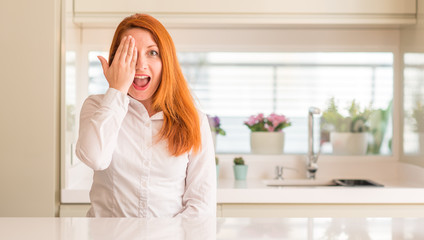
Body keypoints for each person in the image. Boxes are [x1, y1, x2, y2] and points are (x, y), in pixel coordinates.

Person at [75, 13, 216, 218]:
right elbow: (95, 158)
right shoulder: (97, 106)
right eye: (130, 53)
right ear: (117, 60)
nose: (140, 64)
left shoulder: (194, 120)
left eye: (152, 53)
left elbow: (201, 206)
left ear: (166, 60)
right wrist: (117, 90)